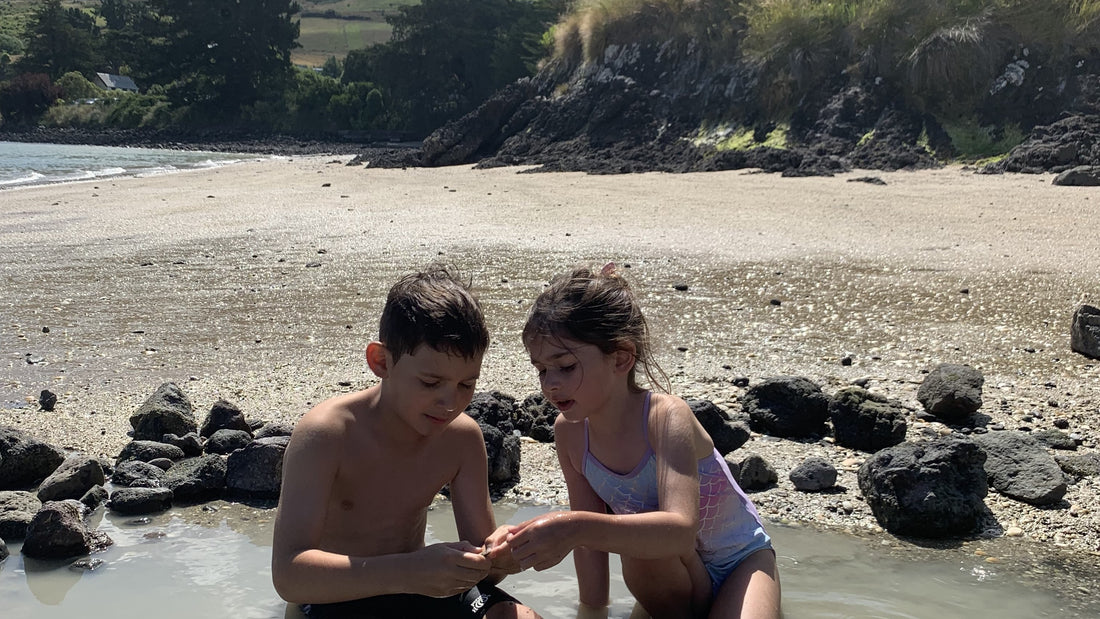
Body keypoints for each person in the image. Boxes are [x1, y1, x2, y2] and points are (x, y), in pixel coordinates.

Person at [507, 264, 781, 619]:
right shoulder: (570, 433)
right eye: (542, 370)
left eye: (566, 367)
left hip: (740, 562)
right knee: (636, 548)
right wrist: (591, 611)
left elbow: (679, 531)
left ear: (621, 357)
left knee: (646, 531)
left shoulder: (666, 418)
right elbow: (590, 547)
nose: (550, 384)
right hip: (671, 577)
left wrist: (572, 527)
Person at [271, 264, 541, 619]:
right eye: (430, 383)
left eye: (466, 385)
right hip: (335, 596)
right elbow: (289, 576)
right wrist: (411, 571)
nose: (450, 403)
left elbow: (487, 567)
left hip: (422, 586)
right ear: (381, 361)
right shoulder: (327, 435)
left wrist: (501, 553)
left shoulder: (461, 438)